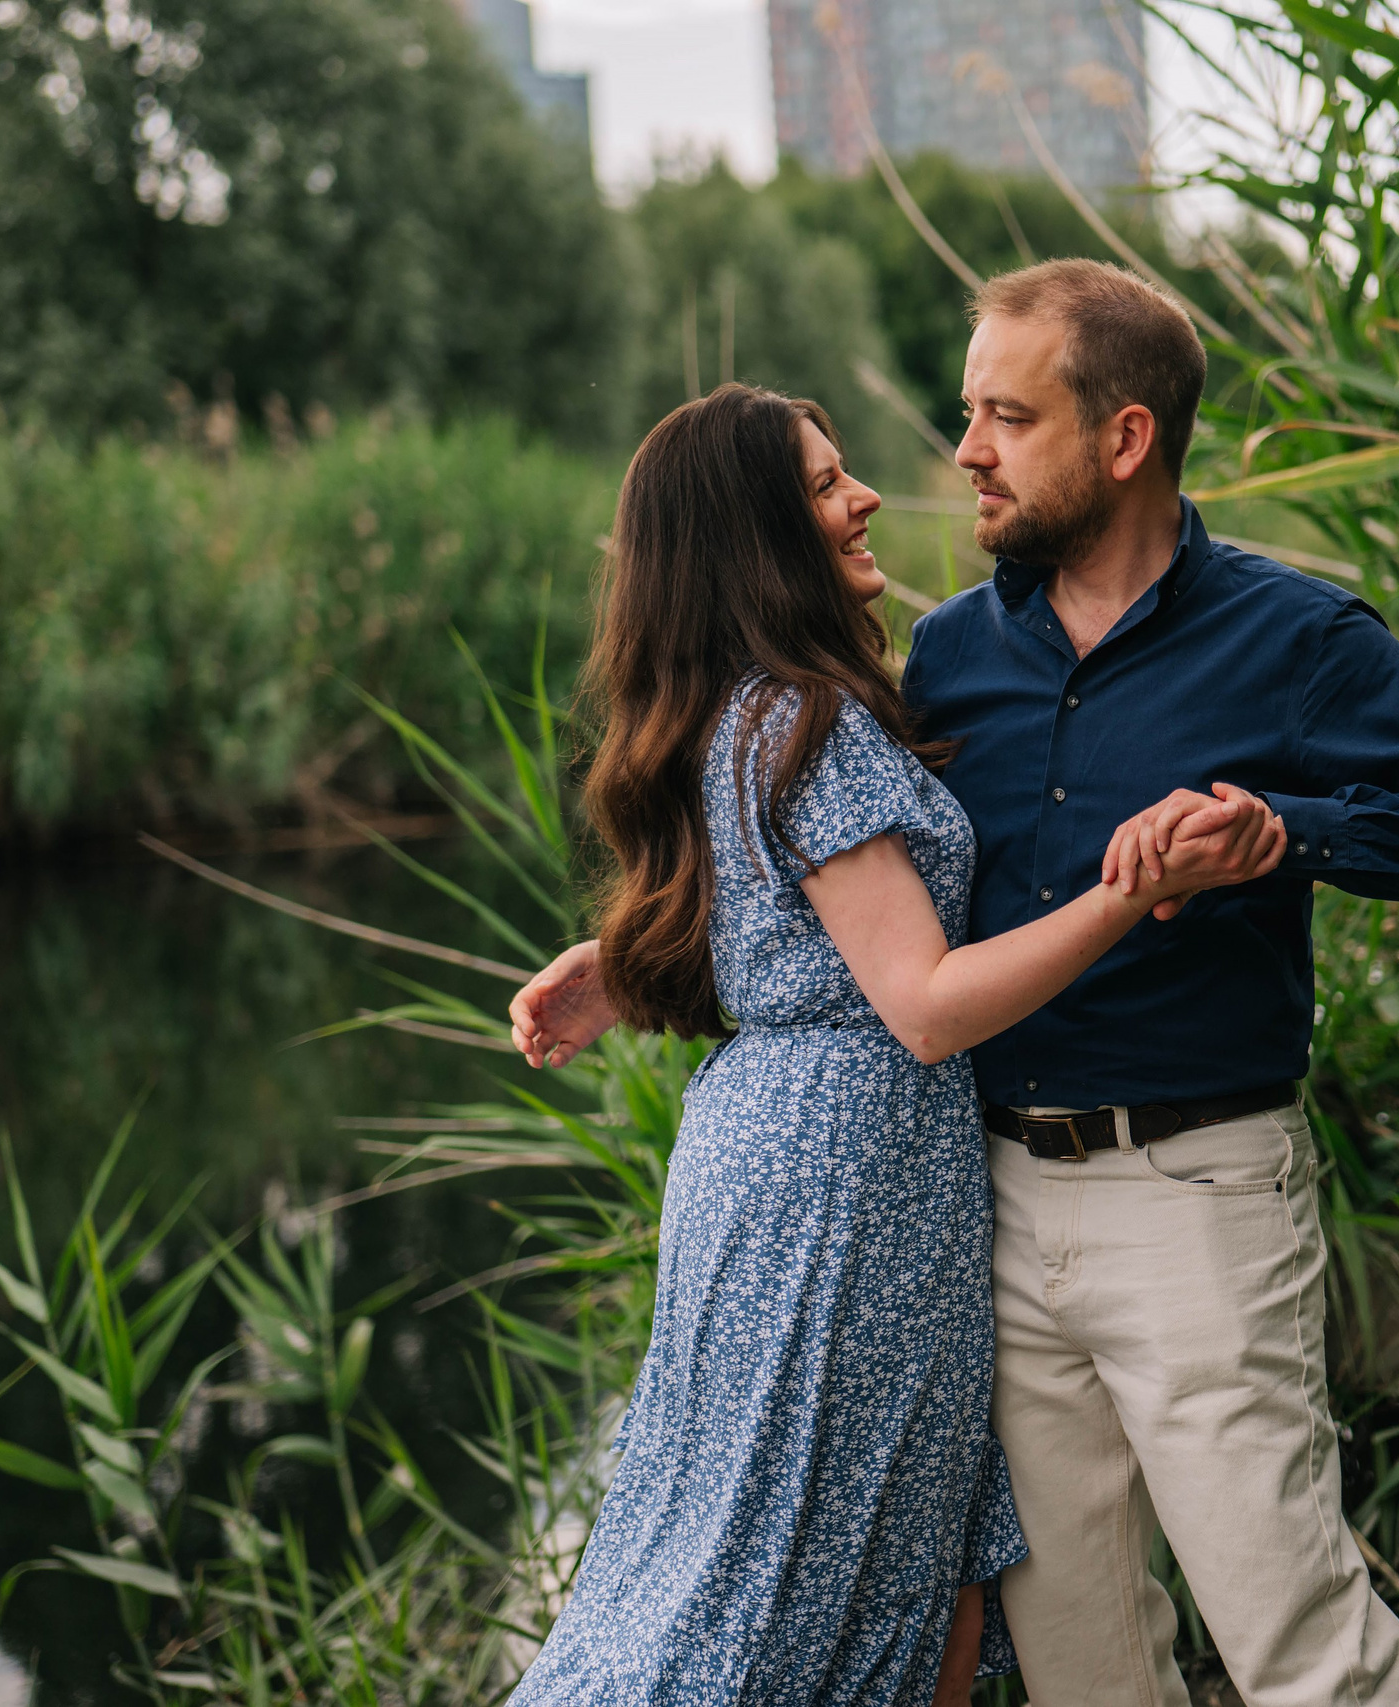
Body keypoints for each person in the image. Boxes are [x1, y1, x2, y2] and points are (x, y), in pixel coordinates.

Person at [500, 382, 1287, 1707]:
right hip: (838, 1190)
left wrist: (630, 973)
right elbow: (918, 1003)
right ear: (756, 537)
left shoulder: (753, 710)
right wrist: (1133, 892)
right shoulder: (802, 720)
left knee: (865, 1562)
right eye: (822, 485)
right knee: (789, 1575)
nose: (864, 498)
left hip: (811, 1163)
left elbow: (786, 934)